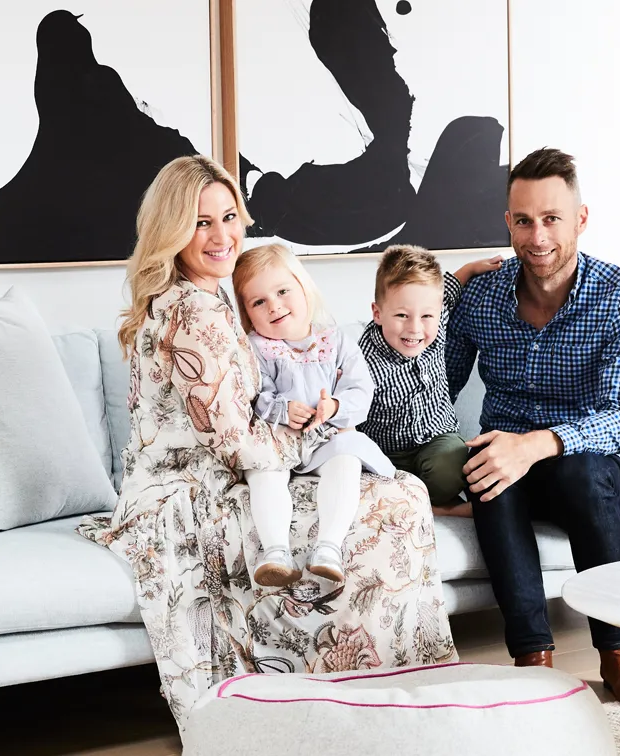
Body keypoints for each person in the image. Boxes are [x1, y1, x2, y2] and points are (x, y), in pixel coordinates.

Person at [78, 155, 455, 727]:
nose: (221, 234)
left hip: (212, 475)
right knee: (395, 500)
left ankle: (370, 685)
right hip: (192, 494)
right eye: (201, 222)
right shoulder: (195, 312)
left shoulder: (209, 300)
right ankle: (373, 693)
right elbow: (236, 441)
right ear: (173, 229)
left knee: (385, 489)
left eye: (229, 216)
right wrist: (308, 442)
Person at [446, 147, 620, 705]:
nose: (537, 236)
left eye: (551, 219)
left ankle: (617, 648)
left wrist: (536, 445)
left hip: (592, 468)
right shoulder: (481, 297)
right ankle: (532, 655)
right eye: (523, 220)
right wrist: (447, 289)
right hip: (508, 463)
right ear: (507, 222)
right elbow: (429, 384)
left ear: (581, 220)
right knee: (488, 469)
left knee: (580, 474)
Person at [231, 244, 395, 586]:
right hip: (279, 438)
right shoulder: (254, 348)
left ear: (303, 288)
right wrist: (281, 409)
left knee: (346, 460)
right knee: (263, 472)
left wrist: (333, 406)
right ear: (247, 312)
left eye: (282, 291)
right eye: (258, 302)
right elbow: (252, 396)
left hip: (326, 437)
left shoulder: (335, 339)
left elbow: (360, 389)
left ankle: (328, 548)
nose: (274, 305)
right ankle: (275, 551)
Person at [358, 245, 502, 518]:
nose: (415, 328)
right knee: (368, 483)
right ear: (377, 313)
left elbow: (449, 288)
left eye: (426, 316)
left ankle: (429, 500)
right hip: (387, 451)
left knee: (456, 464)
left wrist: (471, 268)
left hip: (437, 437)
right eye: (402, 315)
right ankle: (434, 508)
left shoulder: (438, 314)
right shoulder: (362, 360)